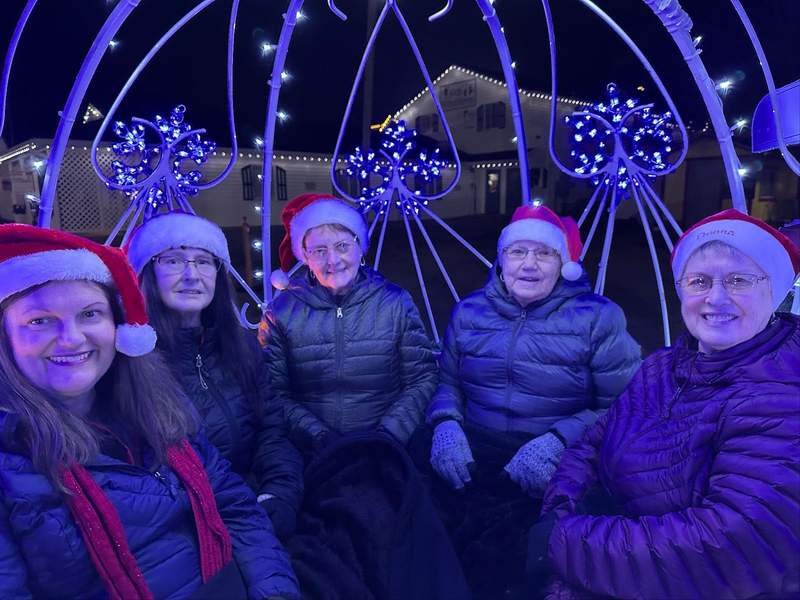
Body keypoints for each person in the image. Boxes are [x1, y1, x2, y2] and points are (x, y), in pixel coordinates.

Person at [0, 224, 299, 599]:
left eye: (89, 314)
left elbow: (244, 471)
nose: (72, 337)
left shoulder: (158, 399)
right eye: (39, 320)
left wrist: (279, 494)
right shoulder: (16, 456)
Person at [533, 208, 800, 599]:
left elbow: (728, 547)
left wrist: (564, 541)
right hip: (609, 553)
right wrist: (560, 510)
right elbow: (594, 441)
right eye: (699, 281)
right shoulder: (666, 365)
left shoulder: (780, 395)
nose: (716, 297)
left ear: (774, 291)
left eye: (740, 280)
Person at [419, 204, 640, 598]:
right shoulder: (469, 312)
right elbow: (447, 382)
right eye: (517, 252)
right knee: (420, 528)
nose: (529, 265)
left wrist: (557, 441)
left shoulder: (597, 318)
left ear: (564, 263)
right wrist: (446, 424)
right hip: (476, 450)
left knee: (516, 555)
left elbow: (622, 405)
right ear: (501, 260)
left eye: (544, 253)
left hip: (554, 456)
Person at [126, 212, 303, 540]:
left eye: (204, 262)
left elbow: (272, 430)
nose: (192, 274)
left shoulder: (240, 346)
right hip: (195, 529)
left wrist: (279, 493)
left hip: (261, 501)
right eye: (174, 260)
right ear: (148, 272)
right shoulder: (132, 363)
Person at [259, 193, 438, 455]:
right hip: (312, 449)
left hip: (387, 446)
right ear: (306, 257)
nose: (332, 260)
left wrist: (388, 433)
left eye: (342, 246)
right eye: (319, 251)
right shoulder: (282, 313)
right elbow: (272, 391)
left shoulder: (395, 303)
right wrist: (318, 436)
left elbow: (421, 378)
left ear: (359, 247)